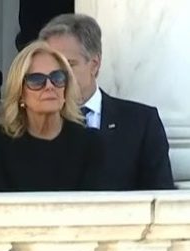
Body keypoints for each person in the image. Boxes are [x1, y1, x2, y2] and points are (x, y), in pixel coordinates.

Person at [39, 14, 174, 190]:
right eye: (53, 66)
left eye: (69, 64)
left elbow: (161, 196)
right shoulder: (33, 121)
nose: (59, 75)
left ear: (94, 64)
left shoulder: (140, 123)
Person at [0, 41, 102, 192]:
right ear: (20, 93)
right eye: (37, 80)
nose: (49, 86)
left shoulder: (90, 144)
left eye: (57, 77)